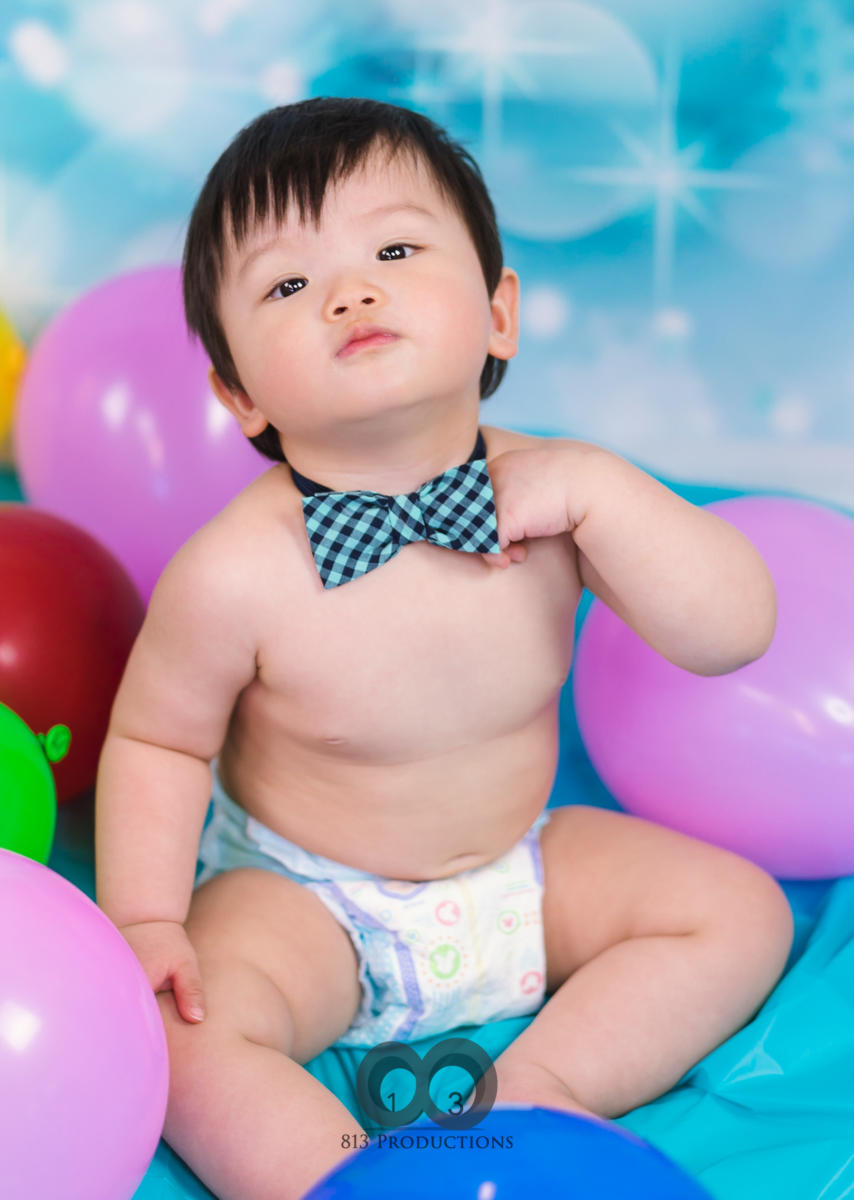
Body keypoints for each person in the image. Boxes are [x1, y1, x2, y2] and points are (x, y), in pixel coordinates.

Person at [95, 97, 794, 1200]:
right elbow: (158, 743)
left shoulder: (564, 495)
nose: (350, 291)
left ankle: (542, 1088)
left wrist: (602, 489)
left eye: (394, 251)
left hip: (521, 867)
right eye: (288, 284)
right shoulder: (232, 572)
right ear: (239, 395)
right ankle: (335, 1176)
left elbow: (732, 634)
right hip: (306, 898)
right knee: (173, 1032)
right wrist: (144, 919)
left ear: (497, 313)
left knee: (740, 912)